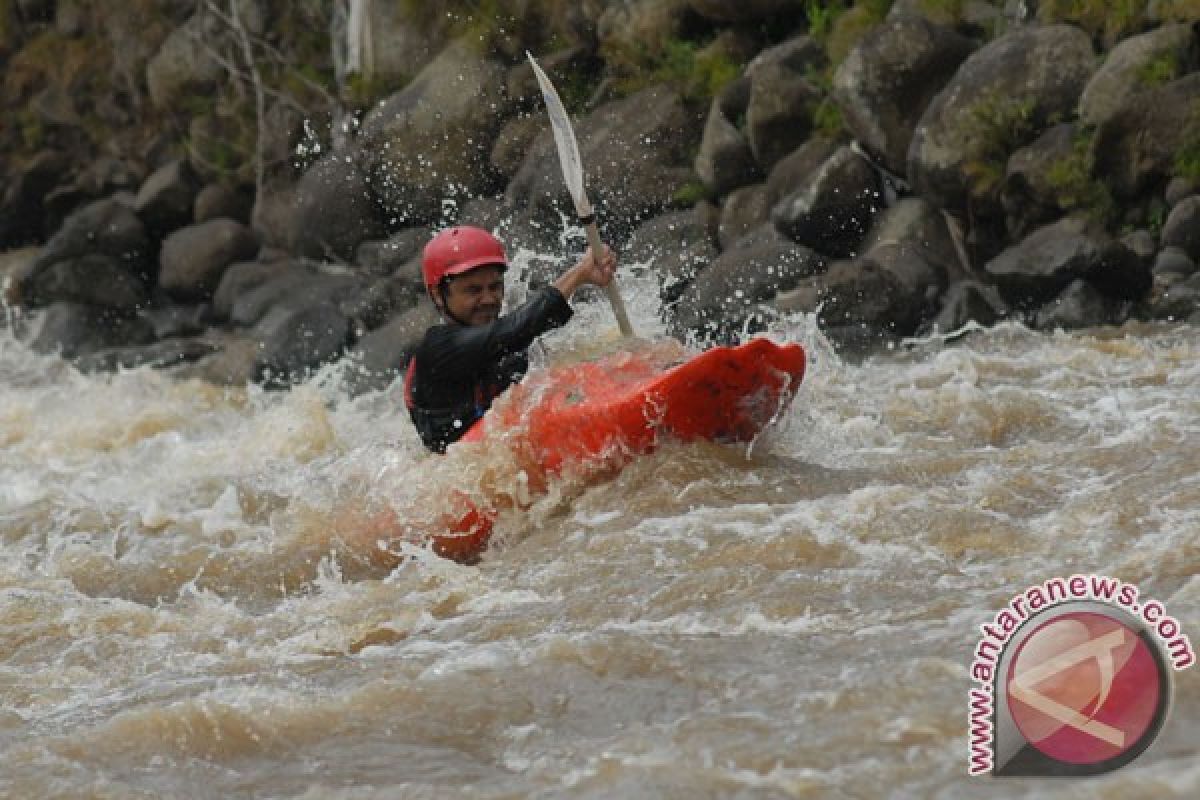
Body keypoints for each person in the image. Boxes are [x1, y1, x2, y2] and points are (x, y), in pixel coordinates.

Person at [404, 225, 617, 453]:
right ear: (438, 296)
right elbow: (517, 328)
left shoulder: (505, 347)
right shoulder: (437, 349)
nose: (488, 299)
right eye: (473, 290)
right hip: (461, 467)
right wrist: (580, 274)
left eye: (495, 287)